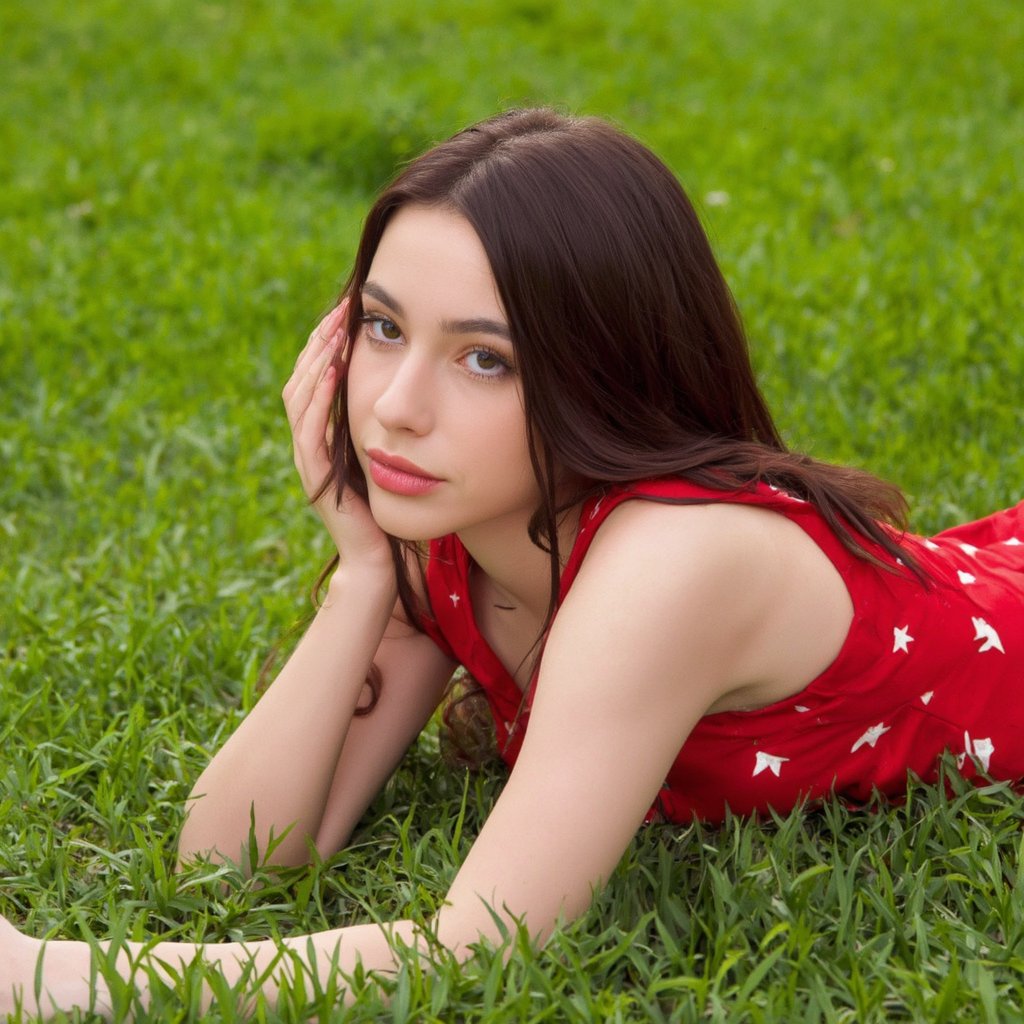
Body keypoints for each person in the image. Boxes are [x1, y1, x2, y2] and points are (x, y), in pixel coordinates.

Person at [3, 107, 1022, 1017]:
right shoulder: (454, 539)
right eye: (382, 326)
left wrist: (55, 977)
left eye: (484, 358)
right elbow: (226, 867)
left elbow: (485, 944)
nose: (397, 404)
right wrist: (364, 575)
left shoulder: (672, 561)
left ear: (603, 371)